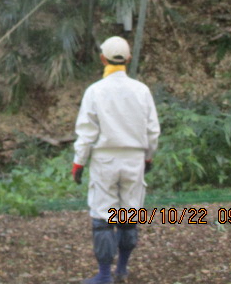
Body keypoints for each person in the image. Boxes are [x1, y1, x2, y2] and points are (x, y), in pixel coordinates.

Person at [71, 36, 160, 284]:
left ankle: (103, 276)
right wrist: (148, 157)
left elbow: (86, 133)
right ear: (128, 60)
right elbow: (153, 131)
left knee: (103, 218)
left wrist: (79, 162)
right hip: (134, 161)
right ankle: (122, 269)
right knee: (128, 215)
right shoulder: (142, 90)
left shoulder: (94, 91)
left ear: (102, 59)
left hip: (105, 162)